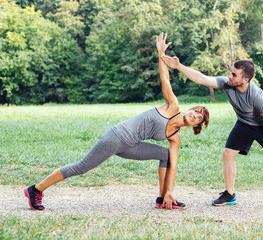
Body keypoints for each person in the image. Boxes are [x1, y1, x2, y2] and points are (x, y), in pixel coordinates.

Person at [24, 33, 209, 211]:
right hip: (117, 137)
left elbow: (173, 166)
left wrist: (170, 192)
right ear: (189, 109)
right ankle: (36, 189)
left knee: (166, 155)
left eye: (199, 118)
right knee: (82, 167)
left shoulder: (175, 138)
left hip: (131, 146)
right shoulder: (173, 107)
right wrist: (161, 55)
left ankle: (162, 199)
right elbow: (165, 79)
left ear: (196, 126)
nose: (195, 115)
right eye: (195, 111)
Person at [161, 54, 263, 209]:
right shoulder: (228, 84)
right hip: (244, 124)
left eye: (234, 74)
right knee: (227, 153)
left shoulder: (256, 95)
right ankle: (230, 194)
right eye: (231, 72)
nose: (229, 76)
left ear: (246, 79)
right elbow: (201, 78)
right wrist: (178, 66)